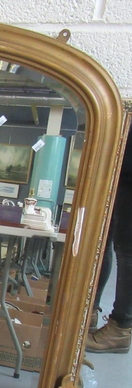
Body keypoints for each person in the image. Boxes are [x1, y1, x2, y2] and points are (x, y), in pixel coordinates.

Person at [86, 128, 132, 353]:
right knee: (101, 243)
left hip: (127, 173)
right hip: (117, 169)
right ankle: (90, 310)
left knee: (127, 251)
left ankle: (120, 329)